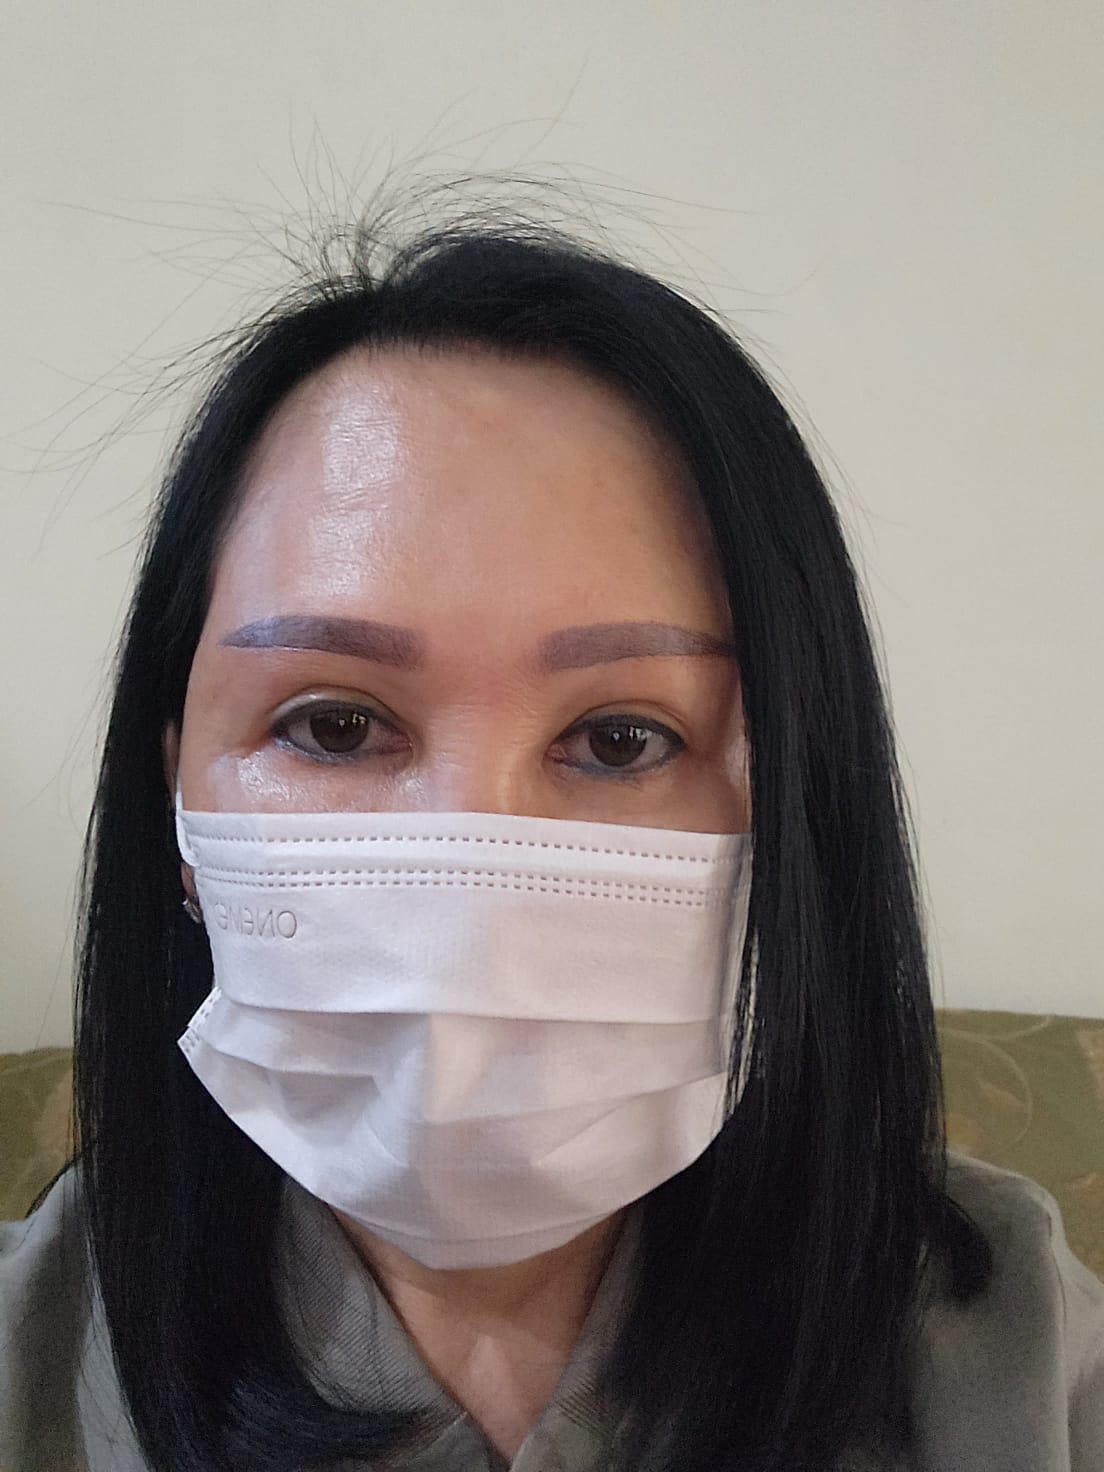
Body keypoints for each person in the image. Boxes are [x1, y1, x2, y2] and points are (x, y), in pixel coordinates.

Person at [1, 212, 1101, 1472]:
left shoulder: (1013, 1345)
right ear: (179, 809)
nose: (473, 896)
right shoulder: (32, 1355)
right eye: (335, 724)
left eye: (623, 739)